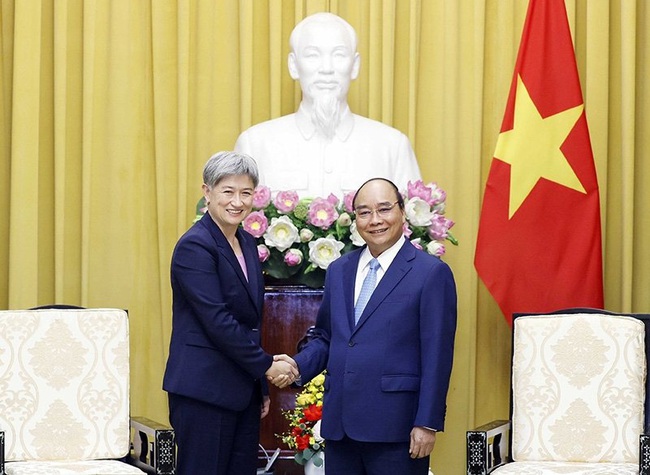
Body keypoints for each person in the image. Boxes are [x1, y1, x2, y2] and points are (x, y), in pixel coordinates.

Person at [275, 178, 457, 475]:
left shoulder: (431, 273)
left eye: (384, 209)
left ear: (402, 212)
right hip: (340, 427)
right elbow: (326, 337)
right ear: (355, 219)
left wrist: (427, 422)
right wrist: (297, 366)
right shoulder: (339, 270)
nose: (375, 220)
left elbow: (438, 354)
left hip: (397, 429)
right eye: (364, 212)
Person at [162, 151, 298, 475]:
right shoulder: (195, 246)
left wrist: (259, 387)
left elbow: (251, 322)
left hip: (242, 393)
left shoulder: (248, 243)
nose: (237, 201)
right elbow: (217, 321)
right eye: (228, 191)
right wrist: (267, 366)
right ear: (207, 192)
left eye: (246, 193)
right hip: (203, 394)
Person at [234, 12, 421, 198]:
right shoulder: (255, 144)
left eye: (339, 55)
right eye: (312, 55)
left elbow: (412, 224)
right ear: (293, 65)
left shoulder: (392, 146)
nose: (326, 69)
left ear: (355, 65)